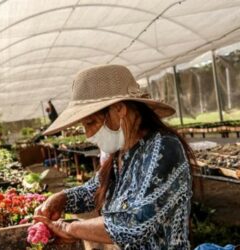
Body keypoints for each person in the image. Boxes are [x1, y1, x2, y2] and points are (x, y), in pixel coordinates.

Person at [34, 65, 194, 249]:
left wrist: (69, 228)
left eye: (91, 122)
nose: (88, 134)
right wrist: (61, 199)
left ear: (119, 109)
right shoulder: (123, 151)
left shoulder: (163, 148)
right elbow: (94, 190)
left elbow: (133, 224)